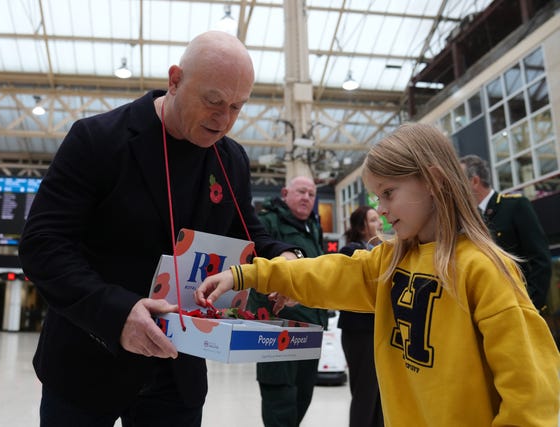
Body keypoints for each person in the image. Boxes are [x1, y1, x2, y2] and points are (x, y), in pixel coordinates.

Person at [18, 30, 301, 427]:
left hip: (177, 371)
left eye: (237, 106)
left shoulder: (231, 159)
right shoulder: (98, 140)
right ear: (174, 80)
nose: (224, 121)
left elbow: (248, 233)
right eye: (213, 101)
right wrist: (118, 313)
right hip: (88, 359)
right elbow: (42, 245)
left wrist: (287, 259)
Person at [196, 123, 560, 426]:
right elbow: (325, 272)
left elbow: (531, 393)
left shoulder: (485, 270)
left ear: (433, 180)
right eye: (376, 199)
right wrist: (246, 275)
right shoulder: (389, 262)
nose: (382, 210)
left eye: (388, 193)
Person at [247, 175, 328, 427]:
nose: (307, 198)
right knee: (279, 399)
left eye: (311, 194)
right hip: (278, 329)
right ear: (285, 193)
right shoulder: (267, 222)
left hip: (311, 330)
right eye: (301, 191)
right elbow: (253, 265)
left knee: (303, 396)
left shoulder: (313, 226)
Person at [459, 154, 552, 313]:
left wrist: (529, 306)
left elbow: (540, 260)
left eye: (459, 181)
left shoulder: (514, 206)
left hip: (520, 308)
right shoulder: (468, 220)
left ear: (474, 181)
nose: (456, 187)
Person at [338, 205, 384, 427]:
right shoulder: (350, 252)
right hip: (359, 332)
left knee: (381, 396)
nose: (380, 223)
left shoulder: (383, 249)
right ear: (361, 226)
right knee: (365, 394)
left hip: (379, 330)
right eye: (374, 220)